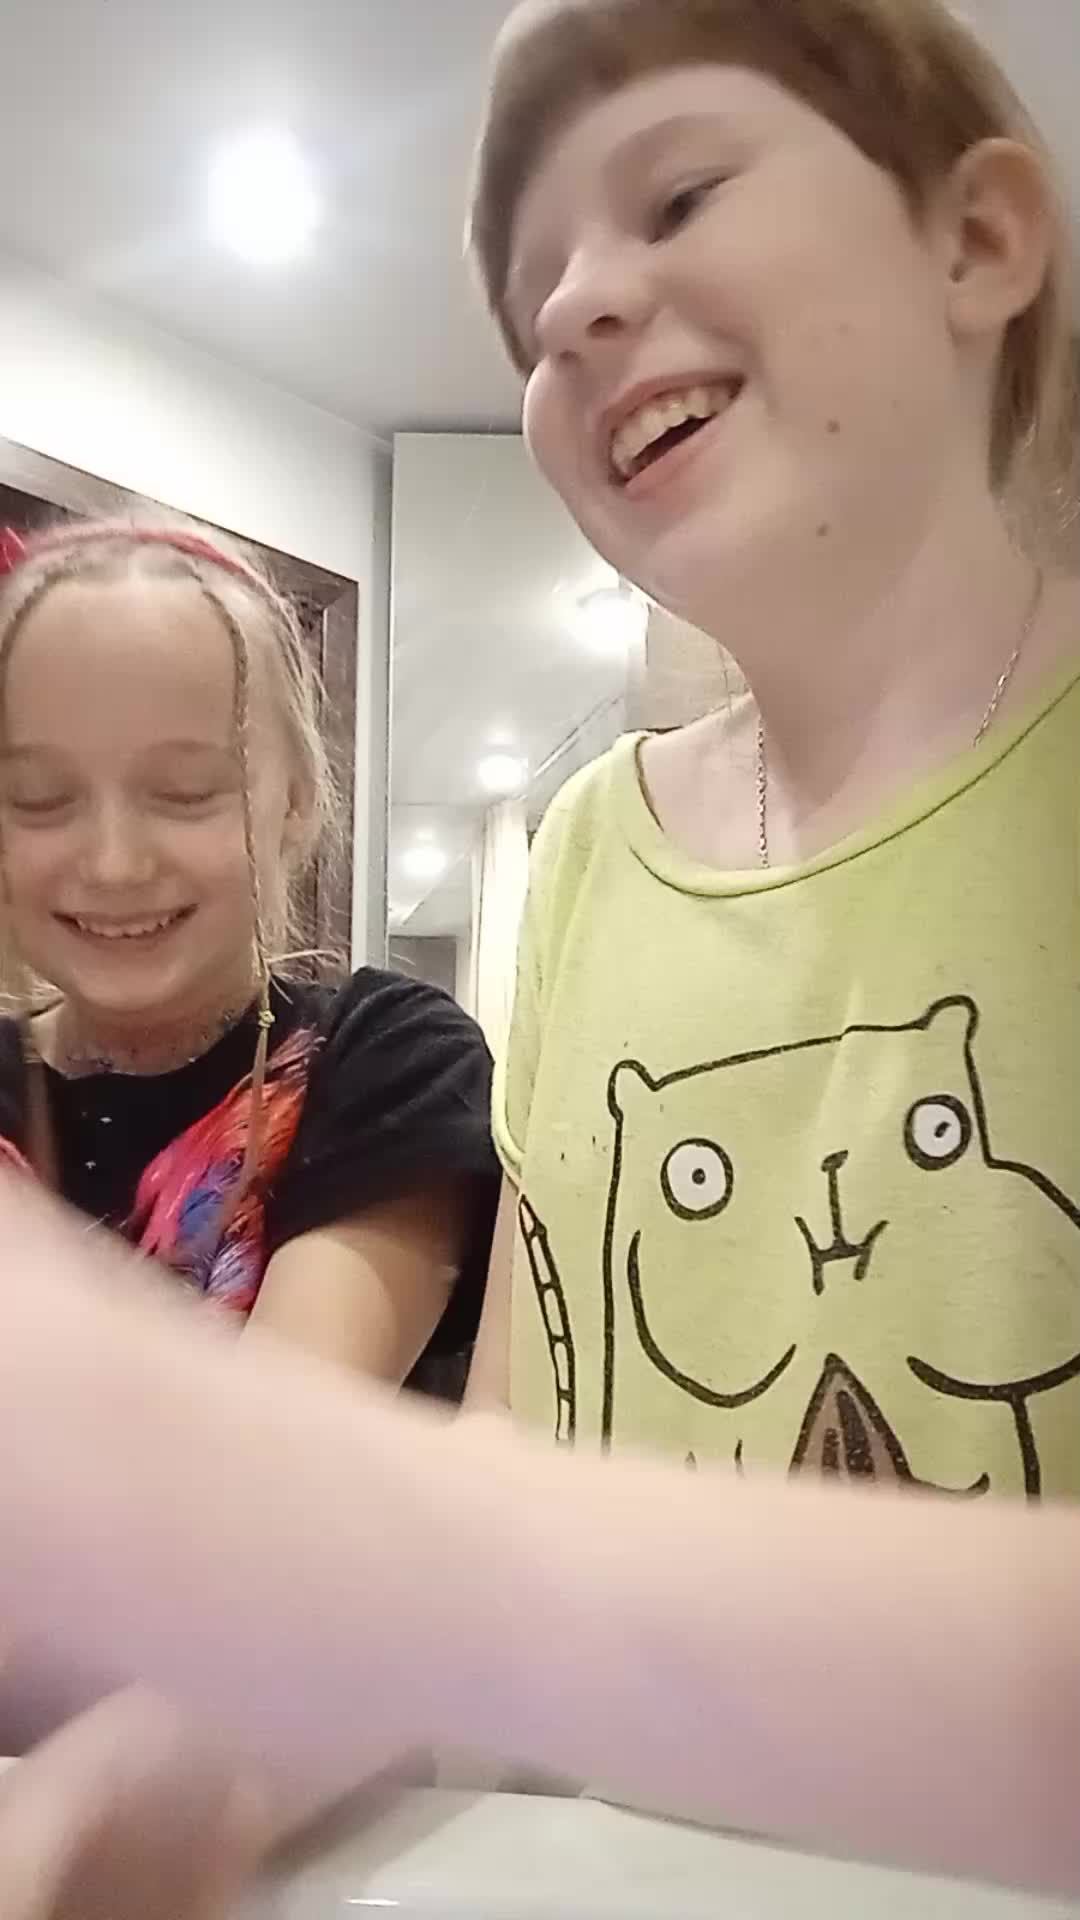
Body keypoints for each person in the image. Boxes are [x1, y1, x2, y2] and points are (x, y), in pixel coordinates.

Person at [465, 0, 1080, 1510]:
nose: (572, 307)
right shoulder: (588, 846)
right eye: (533, 310)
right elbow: (511, 1428)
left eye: (679, 197)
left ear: (977, 241)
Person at [0, 514, 499, 1752]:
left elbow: (264, 1479)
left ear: (294, 803)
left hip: (270, 1784)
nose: (114, 860)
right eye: (40, 799)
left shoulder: (385, 1058)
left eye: (183, 794)